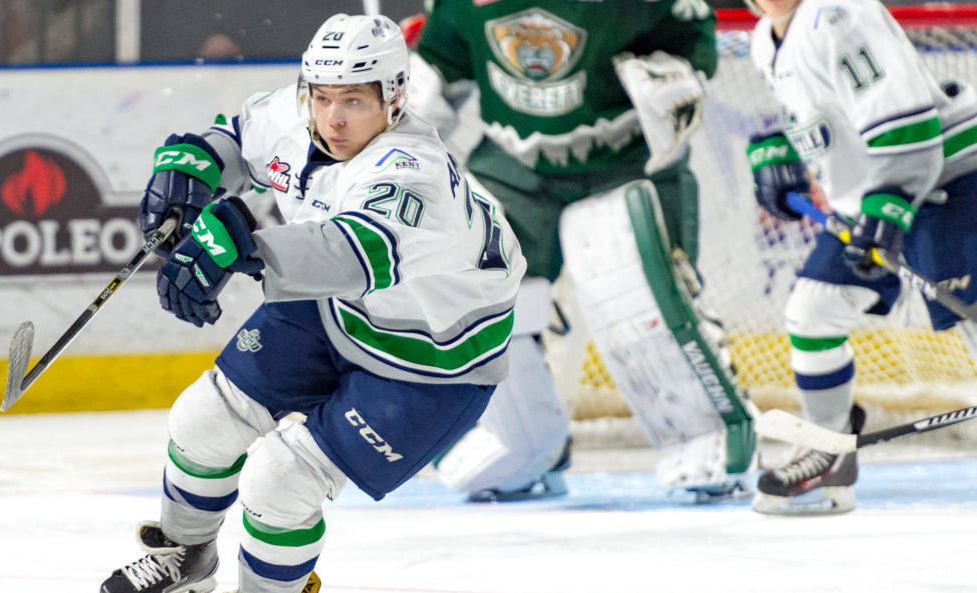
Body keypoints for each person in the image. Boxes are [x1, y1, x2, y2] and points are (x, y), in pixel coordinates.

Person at [97, 13, 524, 593]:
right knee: (201, 420)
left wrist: (233, 246)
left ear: (395, 97)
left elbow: (350, 253)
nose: (333, 117)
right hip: (340, 314)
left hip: (433, 362)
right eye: (322, 96)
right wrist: (189, 168)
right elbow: (236, 139)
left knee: (281, 477)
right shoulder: (302, 117)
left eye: (353, 100)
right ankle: (186, 553)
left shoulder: (413, 171)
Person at [407, 0, 758, 502]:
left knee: (642, 295)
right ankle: (524, 443)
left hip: (627, 156)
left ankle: (709, 434)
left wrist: (676, 74)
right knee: (470, 289)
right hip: (515, 163)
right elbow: (441, 67)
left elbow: (690, 37)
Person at [745, 0, 977, 514]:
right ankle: (828, 450)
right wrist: (783, 148)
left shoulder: (838, 13)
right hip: (875, 197)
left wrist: (887, 207)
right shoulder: (767, 38)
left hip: (950, 178)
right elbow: (831, 116)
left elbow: (907, 124)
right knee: (814, 310)